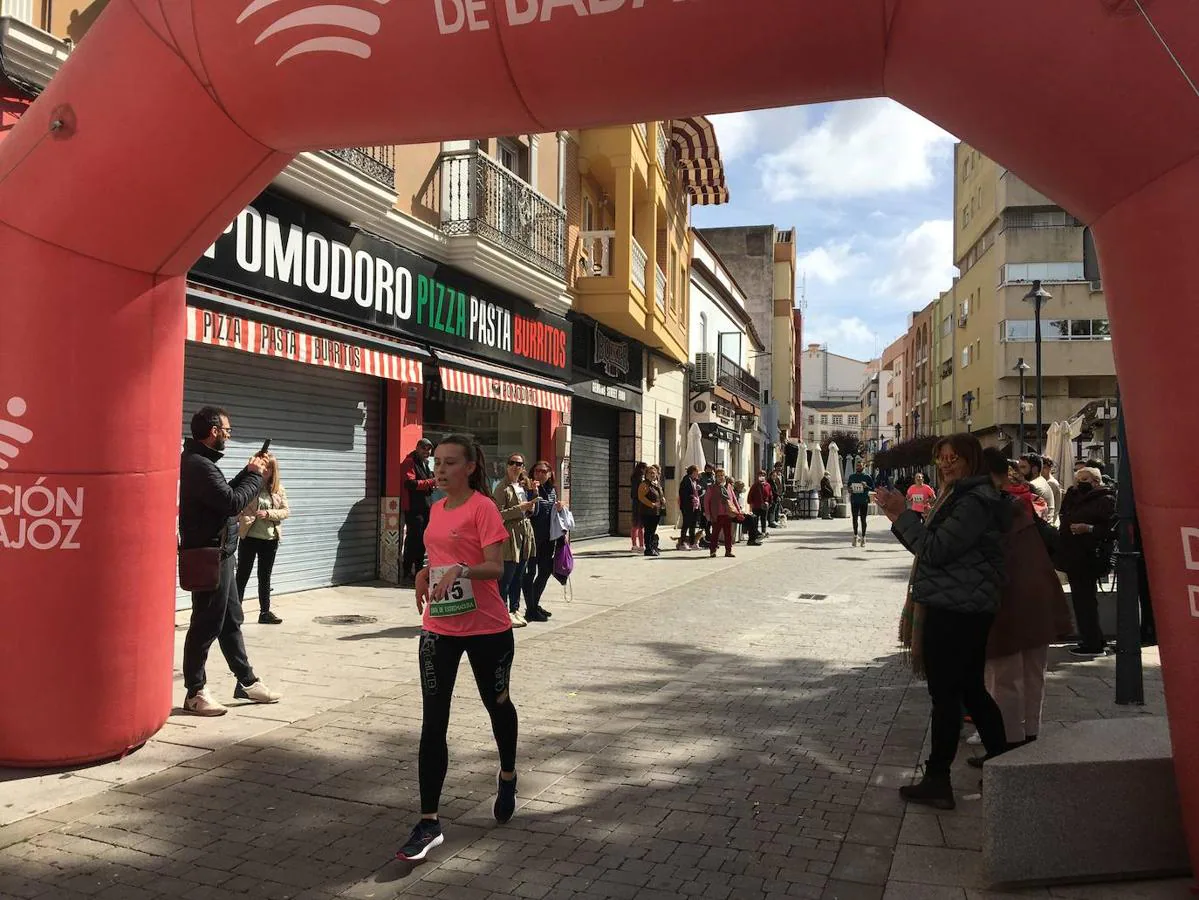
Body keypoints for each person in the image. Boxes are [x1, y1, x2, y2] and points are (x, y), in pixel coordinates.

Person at [398, 435, 519, 862]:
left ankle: (507, 774)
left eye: (450, 463)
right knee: (433, 723)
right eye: (437, 463)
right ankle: (429, 821)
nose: (441, 470)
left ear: (469, 467)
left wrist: (463, 570)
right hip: (440, 628)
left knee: (497, 704)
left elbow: (495, 567)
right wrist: (424, 574)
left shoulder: (483, 508)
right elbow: (438, 559)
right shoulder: (434, 510)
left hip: (487, 629)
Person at [874, 433, 1009, 810]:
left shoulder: (973, 501)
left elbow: (933, 550)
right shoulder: (962, 496)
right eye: (942, 458)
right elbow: (933, 544)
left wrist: (902, 516)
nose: (946, 464)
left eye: (954, 458)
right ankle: (1003, 763)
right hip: (962, 605)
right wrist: (902, 517)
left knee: (947, 695)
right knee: (969, 691)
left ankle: (938, 780)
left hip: (957, 610)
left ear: (972, 461)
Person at [971, 449, 1073, 766]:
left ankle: (1008, 745)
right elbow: (1055, 542)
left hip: (1009, 599)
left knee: (1004, 676)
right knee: (1030, 671)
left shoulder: (994, 508)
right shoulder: (1025, 501)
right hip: (1039, 594)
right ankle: (1030, 736)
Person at [179, 406, 281, 716]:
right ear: (213, 432)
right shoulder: (198, 465)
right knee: (206, 623)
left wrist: (248, 473)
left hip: (222, 553)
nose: (228, 435)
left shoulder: (203, 463)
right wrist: (256, 476)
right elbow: (231, 502)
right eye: (227, 431)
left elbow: (223, 493)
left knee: (231, 621)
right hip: (210, 555)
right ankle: (195, 691)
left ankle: (246, 682)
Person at [1058, 466, 1117, 657]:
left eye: (1085, 479)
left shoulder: (1105, 500)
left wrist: (1088, 529)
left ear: (1096, 481)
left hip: (1091, 556)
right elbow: (1064, 516)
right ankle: (1091, 638)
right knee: (1081, 601)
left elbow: (1110, 530)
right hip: (1073, 556)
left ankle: (1092, 642)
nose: (1079, 483)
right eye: (1078, 479)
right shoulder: (1072, 497)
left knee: (1086, 601)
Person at [235, 453, 290, 625]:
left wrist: (268, 513)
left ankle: (265, 612)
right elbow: (238, 504)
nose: (265, 470)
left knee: (264, 576)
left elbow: (285, 511)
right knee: (242, 575)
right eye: (264, 466)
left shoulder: (278, 489)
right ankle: (235, 613)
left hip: (270, 539)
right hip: (249, 536)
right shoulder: (251, 485)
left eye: (269, 468)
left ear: (274, 470)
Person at [493, 453, 537, 628]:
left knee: (519, 575)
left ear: (523, 468)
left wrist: (531, 506)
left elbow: (529, 511)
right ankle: (501, 611)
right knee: (507, 577)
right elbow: (496, 515)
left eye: (518, 464)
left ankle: (514, 609)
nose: (515, 466)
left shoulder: (522, 487)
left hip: (524, 534)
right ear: (506, 466)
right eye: (511, 463)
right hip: (509, 536)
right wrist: (519, 509)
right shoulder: (501, 488)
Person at [521, 460, 561, 623]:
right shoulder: (528, 489)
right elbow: (532, 512)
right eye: (537, 471)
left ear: (550, 474)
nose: (540, 474)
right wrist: (534, 492)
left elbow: (553, 512)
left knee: (545, 571)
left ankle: (534, 604)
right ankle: (530, 610)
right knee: (530, 573)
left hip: (548, 538)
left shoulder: (552, 490)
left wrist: (560, 507)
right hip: (532, 538)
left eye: (544, 471)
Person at [400, 438, 437, 584]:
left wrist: (432, 483)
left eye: (429, 450)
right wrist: (430, 482)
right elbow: (410, 483)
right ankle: (407, 571)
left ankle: (419, 570)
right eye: (424, 449)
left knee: (423, 540)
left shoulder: (426, 463)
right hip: (414, 508)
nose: (427, 452)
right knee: (413, 539)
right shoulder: (410, 462)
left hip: (425, 506)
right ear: (417, 448)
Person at [704, 468, 741, 558]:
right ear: (715, 477)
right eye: (719, 476)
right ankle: (713, 551)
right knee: (715, 534)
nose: (721, 477)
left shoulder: (728, 487)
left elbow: (734, 499)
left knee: (728, 534)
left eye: (722, 475)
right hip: (716, 514)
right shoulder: (711, 488)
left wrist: (738, 510)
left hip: (727, 513)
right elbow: (706, 501)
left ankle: (728, 551)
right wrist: (708, 513)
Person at [637, 464, 666, 557]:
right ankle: (648, 549)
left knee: (652, 531)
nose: (652, 475)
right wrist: (651, 504)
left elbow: (659, 495)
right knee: (648, 531)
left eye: (654, 473)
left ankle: (652, 547)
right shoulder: (644, 484)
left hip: (656, 512)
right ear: (646, 474)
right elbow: (641, 497)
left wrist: (662, 499)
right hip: (647, 512)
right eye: (650, 473)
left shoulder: (655, 484)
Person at [1018, 454, 1054, 523]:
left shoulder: (1033, 485)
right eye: (1018, 467)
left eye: (1023, 467)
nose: (1019, 471)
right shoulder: (1041, 480)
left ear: (1035, 469)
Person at [846, 462, 875, 547]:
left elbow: (873, 488)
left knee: (863, 519)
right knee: (854, 518)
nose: (858, 467)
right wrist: (850, 489)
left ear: (863, 467)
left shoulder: (867, 477)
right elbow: (848, 488)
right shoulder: (852, 477)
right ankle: (855, 536)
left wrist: (866, 486)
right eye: (857, 466)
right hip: (854, 500)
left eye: (860, 466)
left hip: (863, 500)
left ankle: (863, 537)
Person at [677, 465, 702, 551]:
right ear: (692, 472)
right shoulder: (686, 480)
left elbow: (696, 491)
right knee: (686, 524)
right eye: (696, 472)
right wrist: (692, 498)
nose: (697, 474)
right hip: (687, 506)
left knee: (693, 524)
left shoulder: (694, 481)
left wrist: (699, 489)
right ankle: (682, 543)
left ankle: (692, 542)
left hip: (695, 506)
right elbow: (684, 494)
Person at [747, 470, 773, 540]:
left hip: (765, 506)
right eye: (760, 475)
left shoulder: (767, 485)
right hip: (756, 505)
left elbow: (770, 495)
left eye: (763, 475)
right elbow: (750, 495)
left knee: (763, 519)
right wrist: (750, 503)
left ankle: (763, 532)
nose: (761, 477)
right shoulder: (755, 485)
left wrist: (770, 503)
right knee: (755, 519)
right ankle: (755, 532)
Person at [629, 462, 648, 552]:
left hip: (635, 502)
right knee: (641, 525)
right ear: (643, 469)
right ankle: (641, 545)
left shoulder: (633, 477)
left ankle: (634, 545)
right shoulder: (641, 479)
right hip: (640, 502)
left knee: (635, 524)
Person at [697, 464, 716, 547]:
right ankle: (703, 539)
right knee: (703, 522)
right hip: (703, 502)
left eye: (711, 469)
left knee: (710, 523)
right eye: (708, 468)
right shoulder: (701, 476)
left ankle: (709, 538)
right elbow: (698, 486)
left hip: (712, 502)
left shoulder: (713, 477)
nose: (710, 470)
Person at [1042, 457, 1063, 527]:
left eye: (1044, 467)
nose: (1041, 470)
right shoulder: (1044, 482)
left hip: (1050, 522)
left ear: (1050, 468)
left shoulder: (1050, 483)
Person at [769, 462, 786, 527]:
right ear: (775, 467)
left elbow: (783, 484)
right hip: (774, 494)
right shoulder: (773, 475)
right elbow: (772, 485)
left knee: (778, 508)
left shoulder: (782, 475)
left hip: (780, 494)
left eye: (780, 466)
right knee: (773, 508)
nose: (779, 468)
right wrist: (776, 495)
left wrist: (783, 492)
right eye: (778, 466)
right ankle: (772, 521)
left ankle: (776, 520)